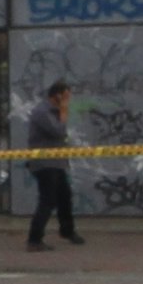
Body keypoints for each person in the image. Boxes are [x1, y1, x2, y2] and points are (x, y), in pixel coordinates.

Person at [24, 79, 83, 251]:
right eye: (65, 97)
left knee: (65, 197)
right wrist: (64, 110)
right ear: (56, 95)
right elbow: (58, 131)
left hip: (57, 163)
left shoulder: (54, 111)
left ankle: (67, 231)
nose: (67, 101)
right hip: (45, 164)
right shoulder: (42, 112)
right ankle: (34, 239)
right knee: (47, 200)